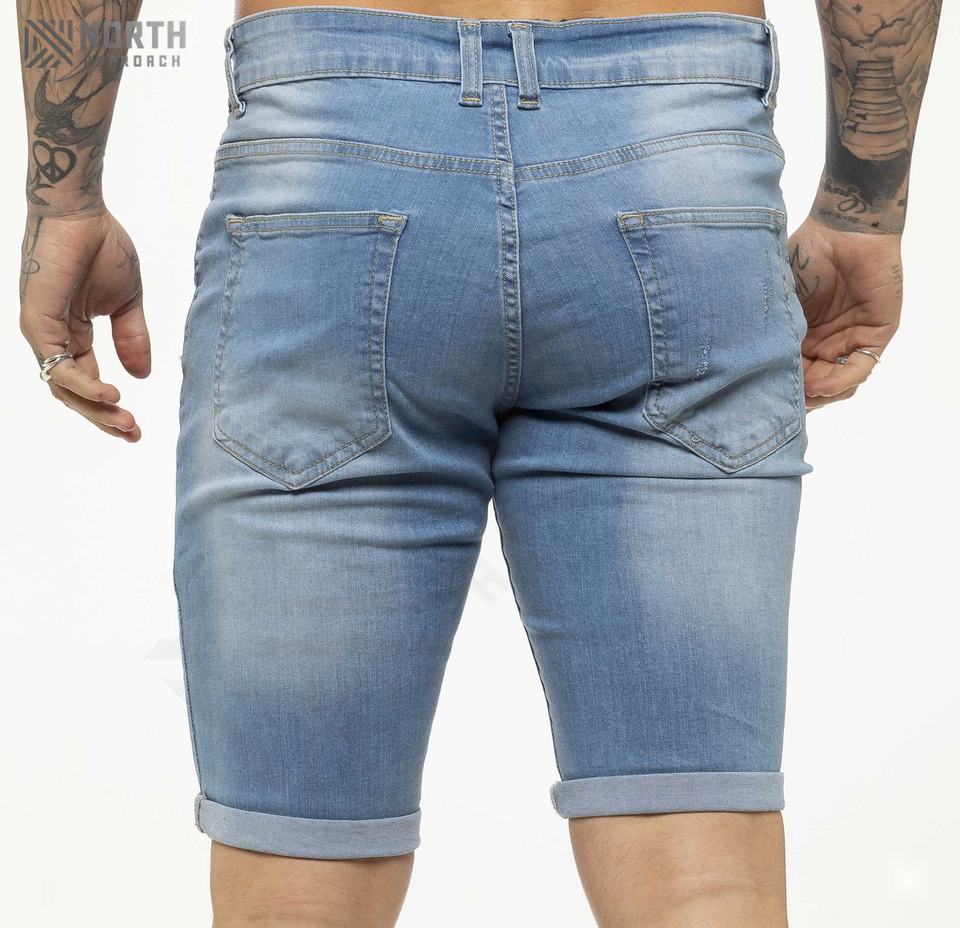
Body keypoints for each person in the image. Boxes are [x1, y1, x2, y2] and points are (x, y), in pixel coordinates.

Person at [15, 0, 941, 925]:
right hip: (676, 150)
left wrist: (64, 199)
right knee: (705, 885)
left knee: (295, 896)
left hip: (332, 157)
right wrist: (863, 207)